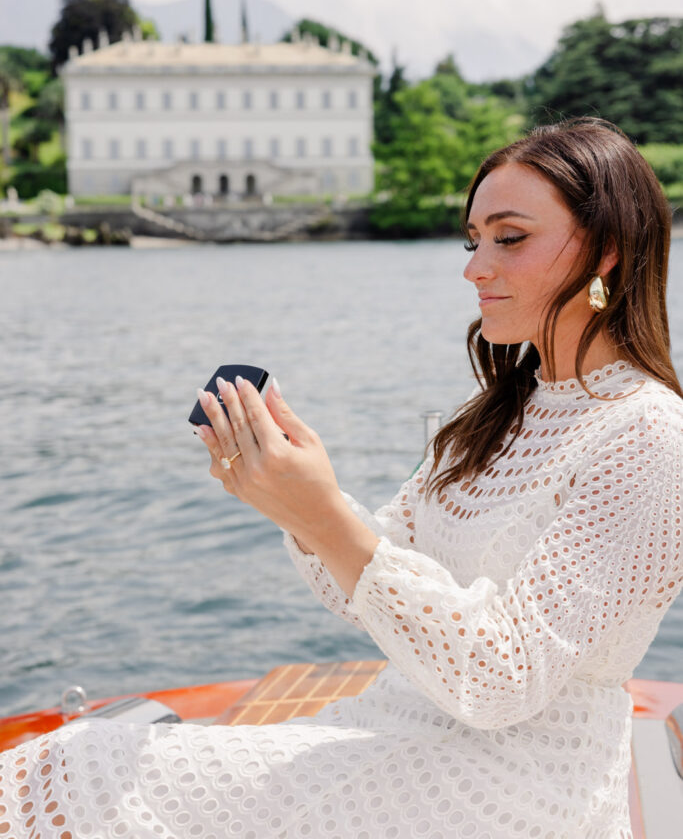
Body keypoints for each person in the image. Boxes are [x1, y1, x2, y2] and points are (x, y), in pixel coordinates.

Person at [1, 117, 681, 839]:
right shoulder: (487, 418)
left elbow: (502, 679)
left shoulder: (648, 434)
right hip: (401, 727)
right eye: (471, 239)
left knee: (78, 765)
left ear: (606, 251)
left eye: (507, 238)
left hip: (521, 779)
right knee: (77, 758)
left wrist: (323, 514)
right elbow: (363, 593)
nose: (474, 267)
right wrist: (290, 500)